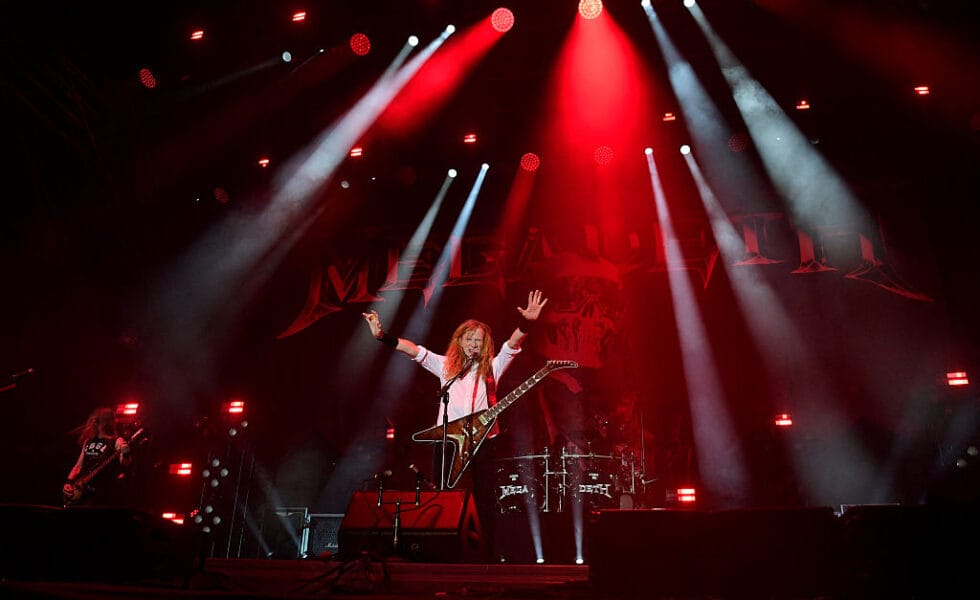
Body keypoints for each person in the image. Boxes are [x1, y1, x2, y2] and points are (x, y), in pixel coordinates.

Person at [362, 289, 548, 561]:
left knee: (484, 496)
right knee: (444, 495)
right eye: (469, 338)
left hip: (483, 440)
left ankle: (487, 555)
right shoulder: (446, 366)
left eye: (479, 340)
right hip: (449, 440)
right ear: (459, 341)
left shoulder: (491, 368)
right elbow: (413, 350)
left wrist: (527, 322)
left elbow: (512, 344)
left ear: (485, 345)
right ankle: (443, 551)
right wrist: (382, 337)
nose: (474, 343)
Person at [63, 406, 134, 508]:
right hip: (83, 492)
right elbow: (78, 466)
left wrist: (126, 453)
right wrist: (68, 482)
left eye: (96, 419)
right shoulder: (88, 441)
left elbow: (125, 464)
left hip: (102, 495)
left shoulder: (117, 441)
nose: (92, 422)